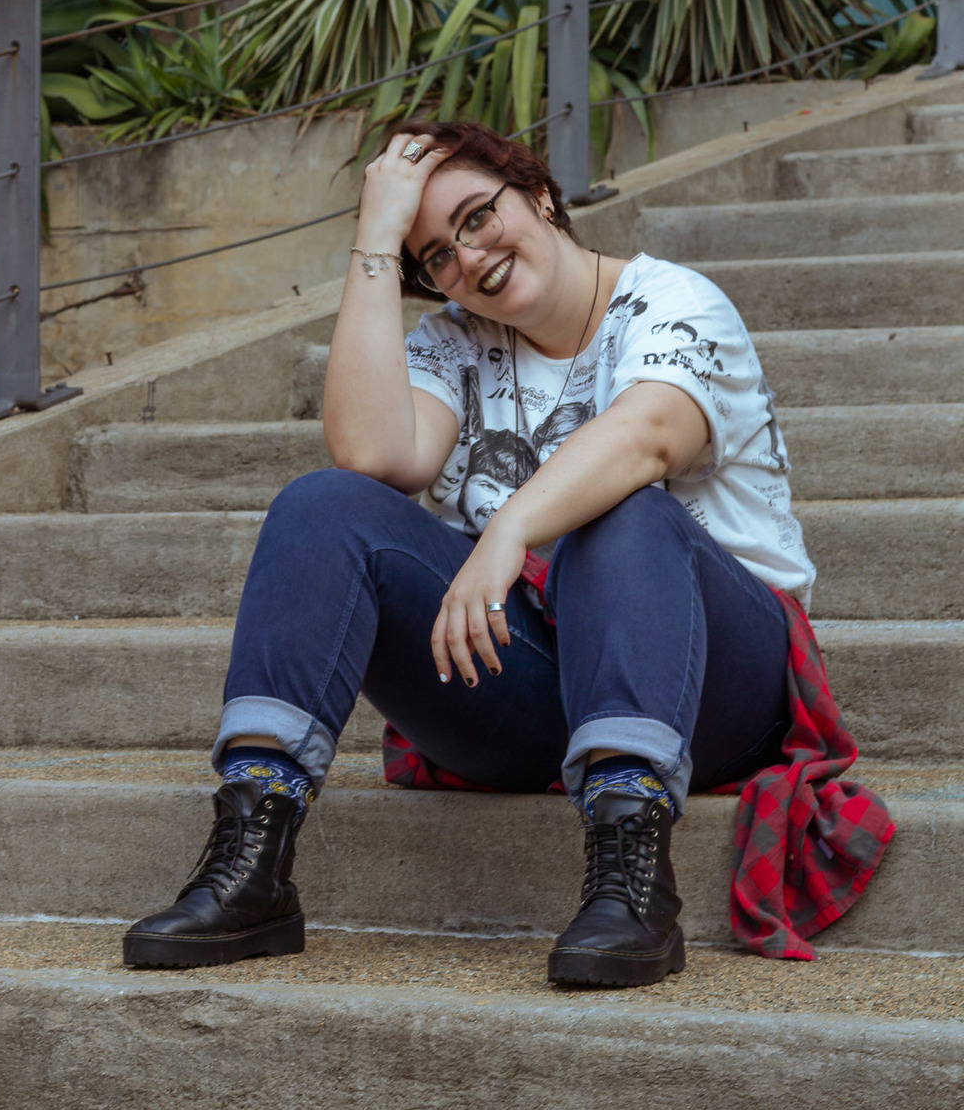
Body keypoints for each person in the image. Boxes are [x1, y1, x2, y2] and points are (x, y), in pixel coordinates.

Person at [123, 120, 815, 988]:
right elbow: (373, 456)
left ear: (541, 195)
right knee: (324, 507)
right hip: (538, 686)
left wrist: (509, 529)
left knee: (622, 511)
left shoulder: (671, 301)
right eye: (439, 256)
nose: (469, 257)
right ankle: (250, 864)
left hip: (717, 680)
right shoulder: (455, 345)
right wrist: (376, 240)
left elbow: (650, 435)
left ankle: (631, 886)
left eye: (479, 217)